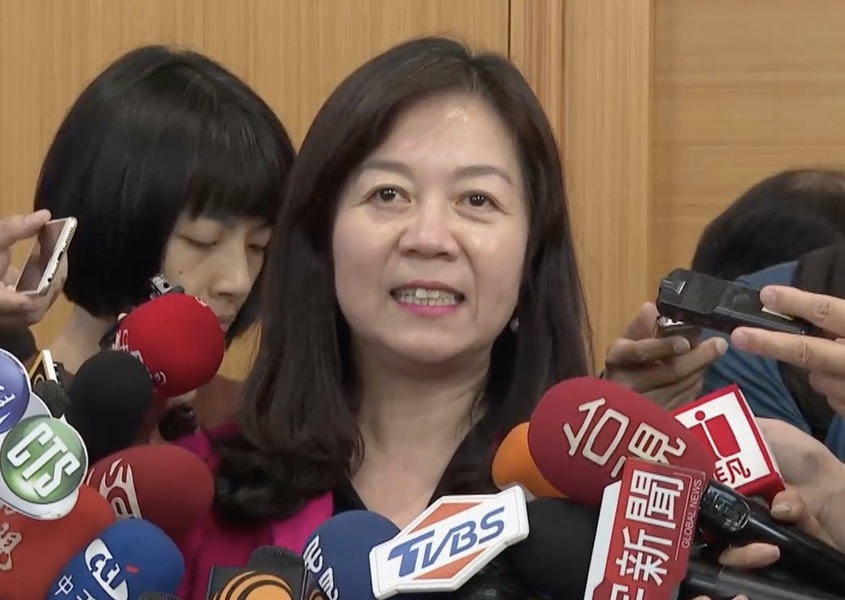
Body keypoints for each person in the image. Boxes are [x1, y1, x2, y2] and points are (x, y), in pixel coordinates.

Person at [172, 36, 732, 599]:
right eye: (388, 194)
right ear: (322, 237)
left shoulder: (610, 519)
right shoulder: (194, 495)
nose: (429, 237)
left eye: (476, 200)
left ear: (533, 255)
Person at [29, 45, 296, 431]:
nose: (239, 281)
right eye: (205, 240)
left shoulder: (251, 428)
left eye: (258, 246)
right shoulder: (16, 414)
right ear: (115, 218)